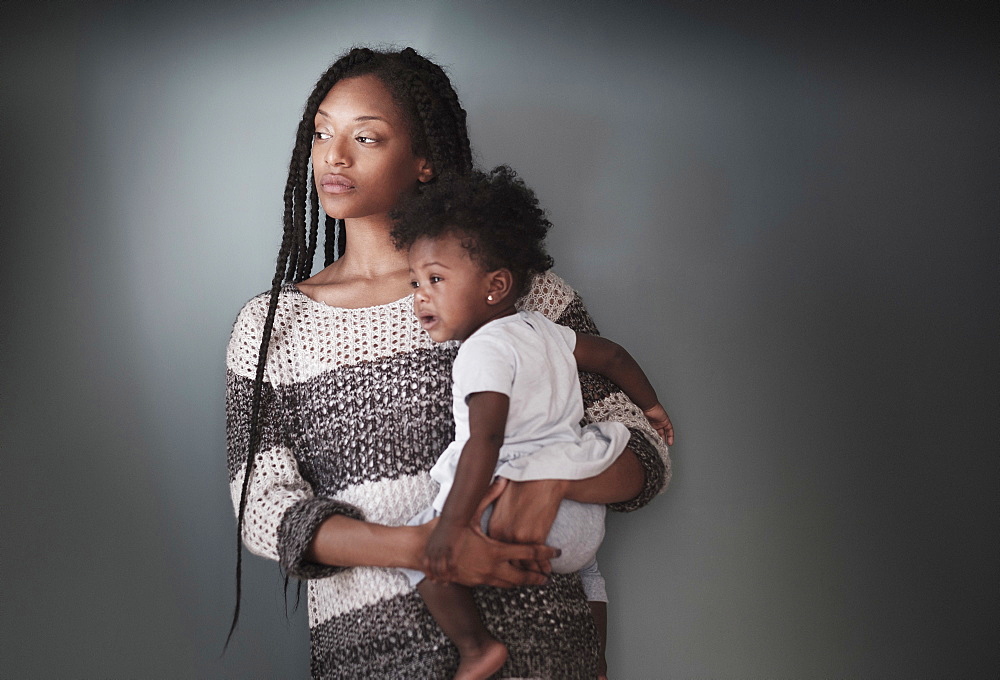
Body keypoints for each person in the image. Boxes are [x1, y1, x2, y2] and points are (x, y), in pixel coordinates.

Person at [225, 46, 671, 679]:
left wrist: (553, 482)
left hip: (541, 654)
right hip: (371, 661)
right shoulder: (274, 327)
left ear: (425, 159)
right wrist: (428, 549)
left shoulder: (518, 291)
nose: (335, 155)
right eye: (322, 132)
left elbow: (646, 451)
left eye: (367, 137)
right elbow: (262, 505)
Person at [390, 166, 673, 680]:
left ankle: (477, 649)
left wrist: (450, 529)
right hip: (580, 517)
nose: (420, 297)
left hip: (518, 508)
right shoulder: (545, 330)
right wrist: (651, 406)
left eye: (435, 279)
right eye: (415, 282)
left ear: (495, 285)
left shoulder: (482, 350)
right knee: (589, 571)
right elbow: (611, 357)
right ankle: (598, 663)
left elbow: (486, 438)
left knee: (422, 559)